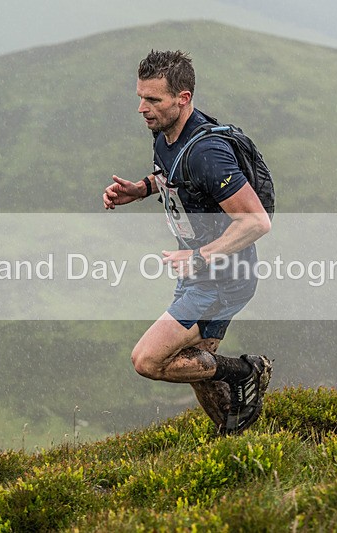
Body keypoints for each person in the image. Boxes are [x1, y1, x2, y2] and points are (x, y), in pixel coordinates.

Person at [103, 49, 272, 434]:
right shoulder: (166, 135)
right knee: (195, 364)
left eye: (154, 100)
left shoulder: (208, 153)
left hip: (221, 278)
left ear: (184, 98)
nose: (142, 108)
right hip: (200, 274)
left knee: (148, 360)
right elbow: (175, 176)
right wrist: (142, 188)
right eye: (140, 98)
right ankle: (233, 436)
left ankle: (247, 370)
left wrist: (201, 255)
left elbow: (256, 221)